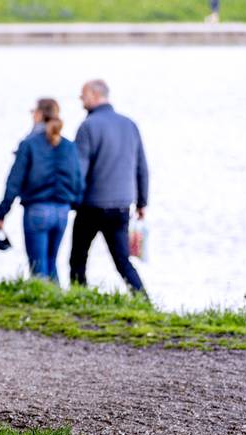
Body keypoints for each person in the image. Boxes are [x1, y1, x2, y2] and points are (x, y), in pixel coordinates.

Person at [70, 79, 149, 295]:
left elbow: (79, 170)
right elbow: (141, 167)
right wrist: (142, 203)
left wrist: (73, 201)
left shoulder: (88, 126)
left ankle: (78, 299)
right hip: (122, 206)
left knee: (78, 258)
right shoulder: (129, 124)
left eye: (83, 95)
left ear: (96, 95)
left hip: (91, 206)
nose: (81, 100)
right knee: (123, 261)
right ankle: (144, 301)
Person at [0, 98, 83, 283]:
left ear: (39, 114)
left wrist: (3, 212)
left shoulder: (29, 144)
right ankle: (58, 305)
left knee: (38, 266)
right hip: (62, 211)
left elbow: (14, 181)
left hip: (37, 210)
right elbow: (78, 182)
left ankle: (40, 306)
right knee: (52, 263)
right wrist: (72, 204)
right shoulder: (69, 146)